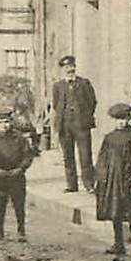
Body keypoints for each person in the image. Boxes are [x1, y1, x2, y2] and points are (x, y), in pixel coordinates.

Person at [94, 103, 131, 261]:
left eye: (124, 118)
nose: (121, 122)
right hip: (113, 181)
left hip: (129, 180)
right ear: (113, 120)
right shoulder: (109, 138)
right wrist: (99, 178)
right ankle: (118, 243)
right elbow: (102, 159)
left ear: (129, 118)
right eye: (118, 119)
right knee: (115, 212)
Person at [0, 108, 35, 242]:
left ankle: (21, 231)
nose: (5, 125)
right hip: (0, 176)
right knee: (0, 204)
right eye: (1, 122)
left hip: (17, 176)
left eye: (7, 122)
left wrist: (20, 169)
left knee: (19, 204)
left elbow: (27, 155)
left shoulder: (19, 137)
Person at [51, 55, 98, 193]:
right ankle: (71, 185)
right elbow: (56, 104)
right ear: (62, 70)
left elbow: (92, 101)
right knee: (68, 156)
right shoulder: (58, 86)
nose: (69, 69)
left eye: (71, 67)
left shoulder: (84, 83)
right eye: (66, 67)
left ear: (75, 67)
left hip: (81, 125)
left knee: (85, 155)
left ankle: (89, 184)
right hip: (64, 126)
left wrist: (84, 116)